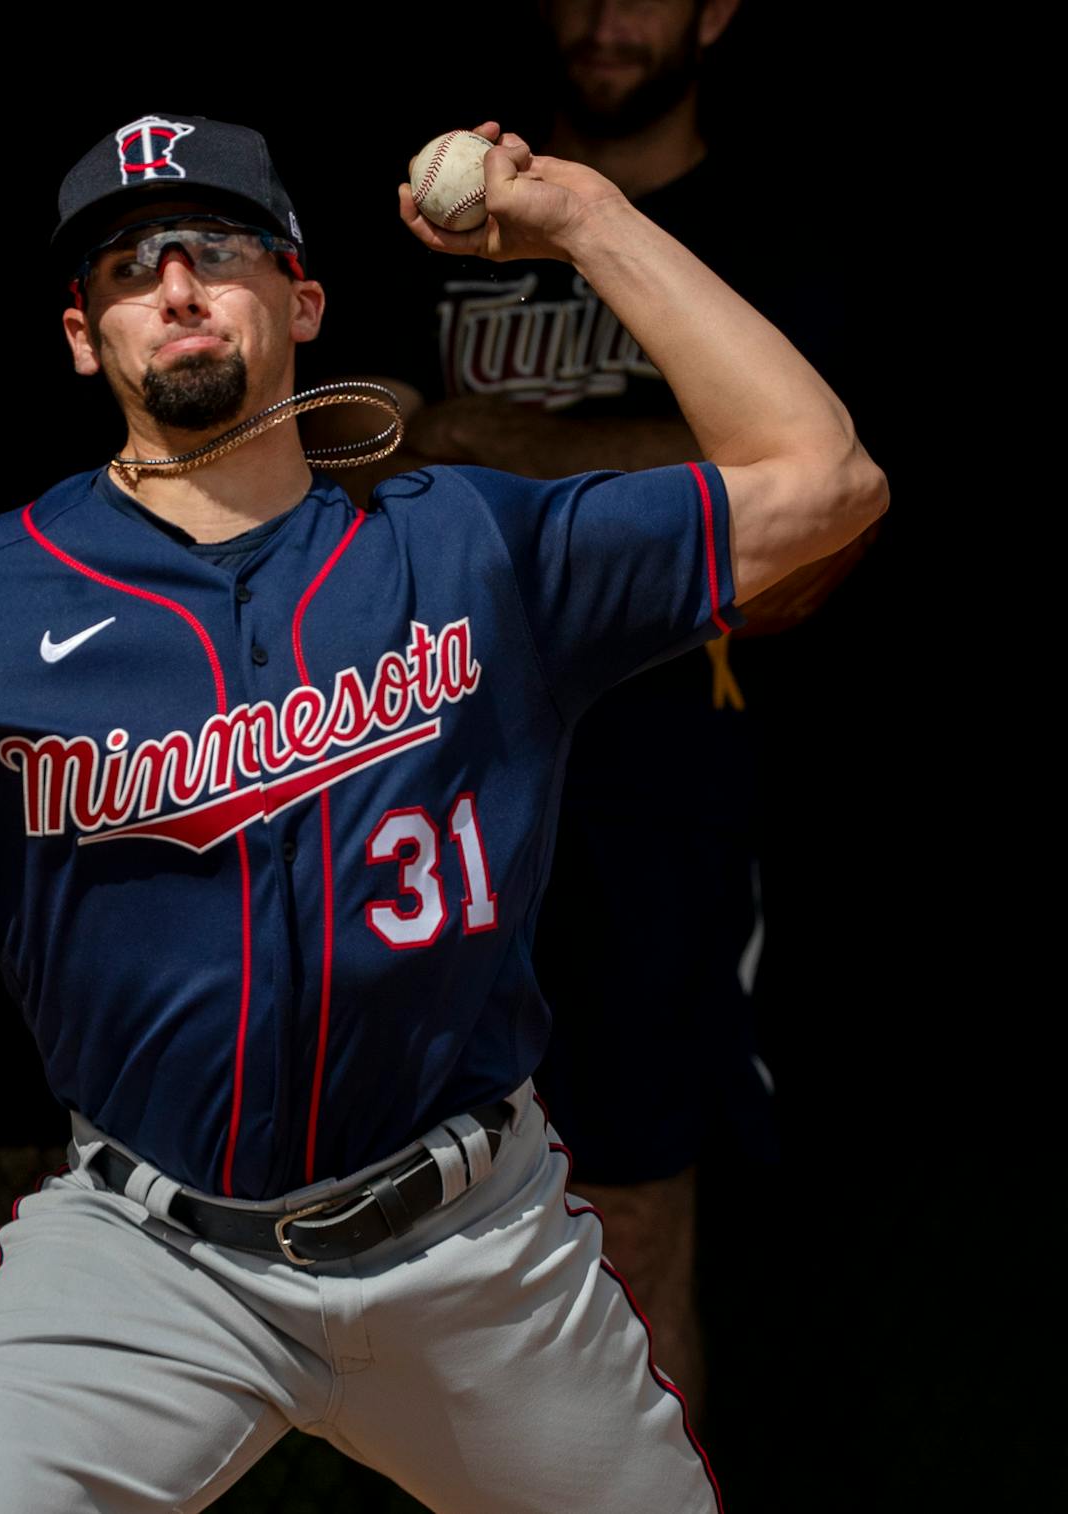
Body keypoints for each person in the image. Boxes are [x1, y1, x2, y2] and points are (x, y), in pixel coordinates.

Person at [0, 113, 883, 1512]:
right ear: (78, 336)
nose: (173, 285)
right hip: (146, 1255)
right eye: (125, 266)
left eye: (215, 250)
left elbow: (823, 481)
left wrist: (587, 217)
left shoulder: (474, 544)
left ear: (303, 304)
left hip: (475, 1241)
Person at [333, 0, 872, 1420]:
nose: (605, 15)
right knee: (414, 1244)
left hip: (655, 773)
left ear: (718, 13)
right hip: (426, 769)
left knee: (628, 1222)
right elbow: (347, 458)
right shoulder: (441, 221)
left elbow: (801, 498)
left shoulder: (753, 232)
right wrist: (621, 480)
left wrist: (469, 438)